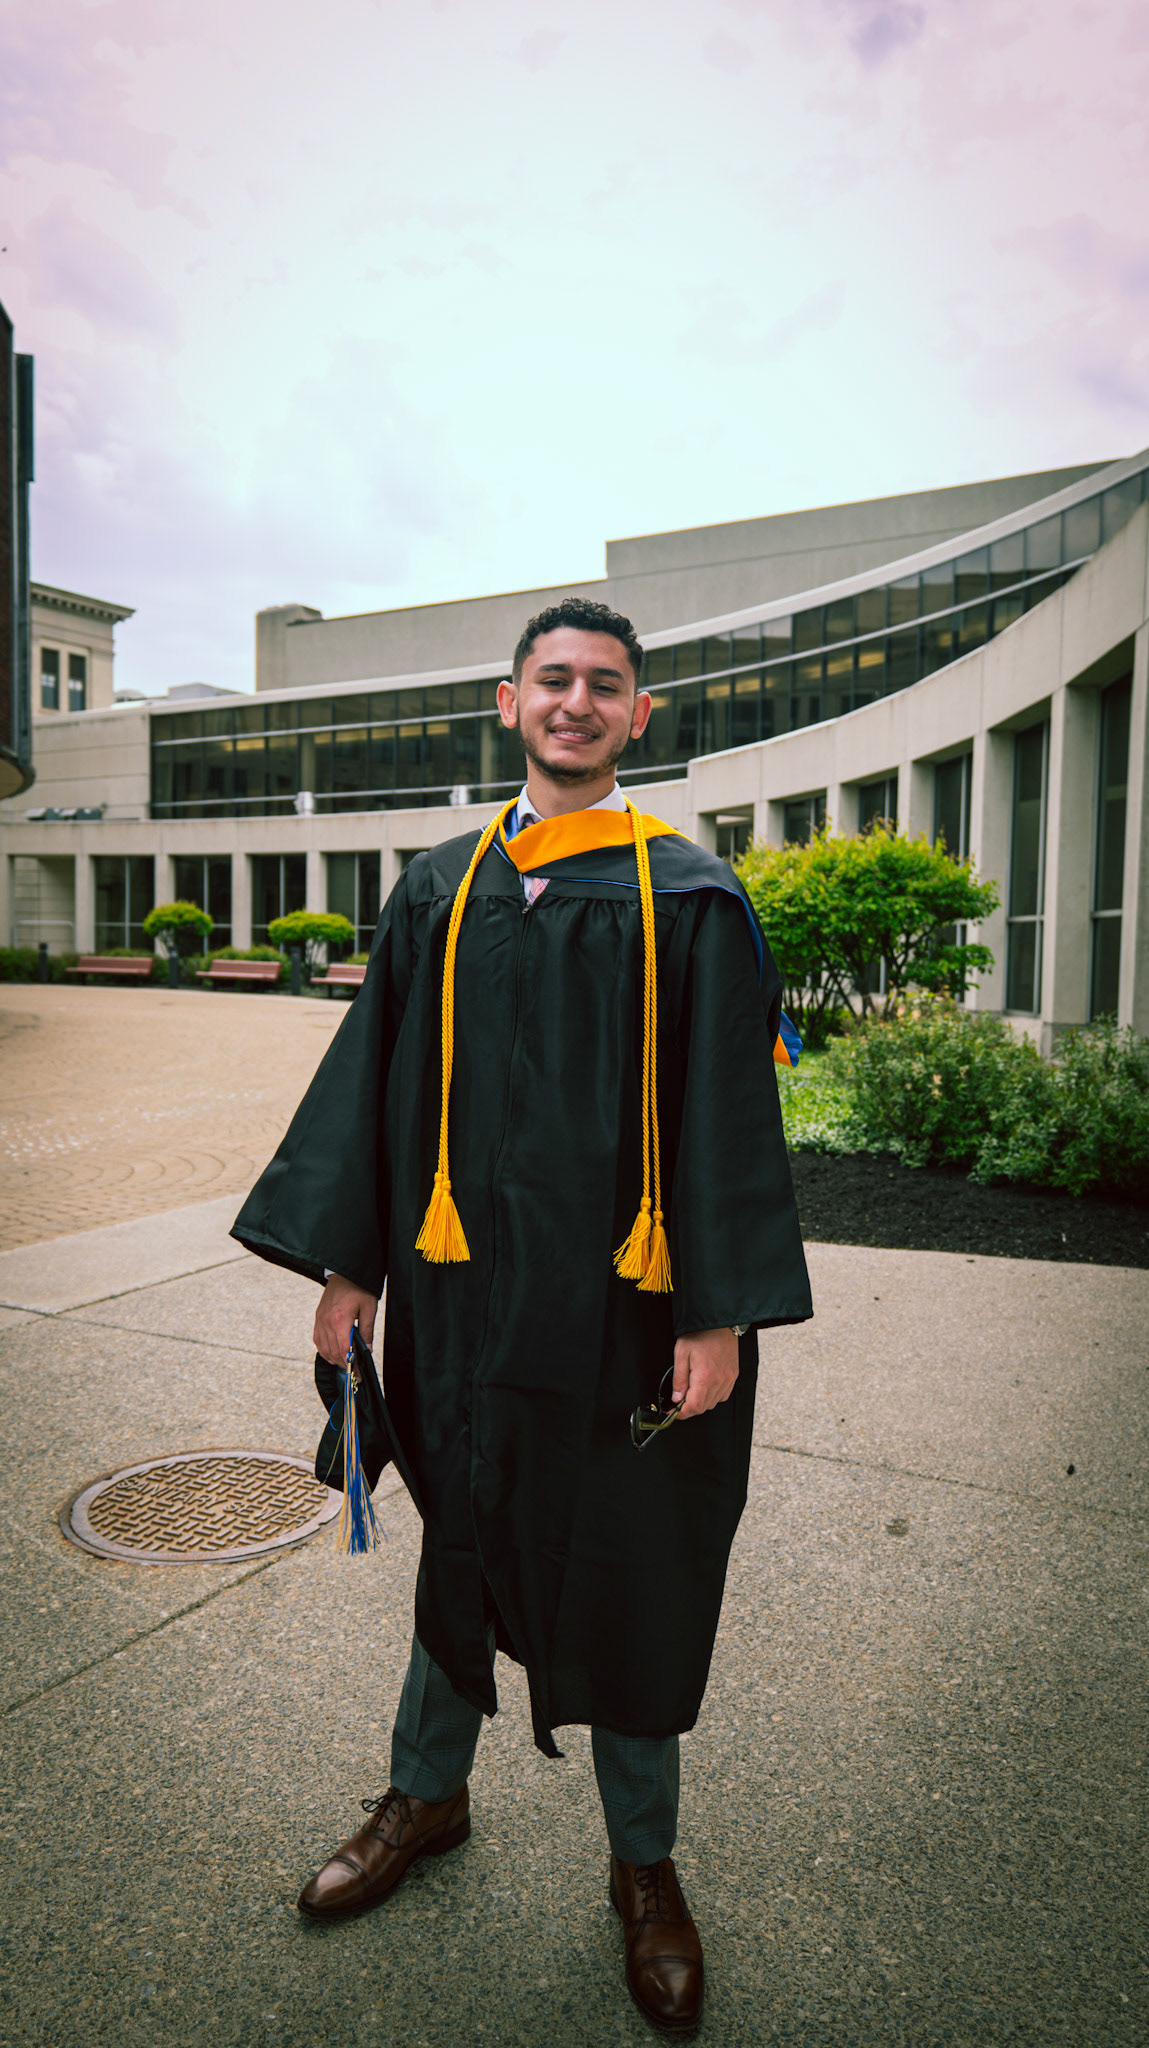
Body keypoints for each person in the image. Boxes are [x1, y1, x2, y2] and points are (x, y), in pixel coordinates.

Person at [233, 595, 811, 2033]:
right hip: (458, 1298)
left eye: (604, 684)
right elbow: (374, 1088)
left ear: (637, 716)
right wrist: (351, 1275)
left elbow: (728, 1119)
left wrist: (719, 1315)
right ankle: (425, 1797)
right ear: (508, 704)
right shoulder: (437, 888)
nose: (576, 701)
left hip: (625, 1308)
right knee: (462, 1537)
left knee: (633, 1563)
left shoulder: (690, 899)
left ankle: (643, 1863)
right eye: (552, 679)